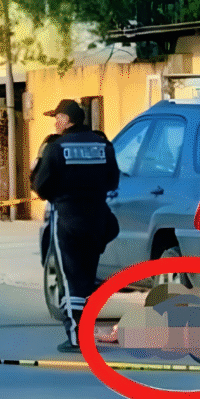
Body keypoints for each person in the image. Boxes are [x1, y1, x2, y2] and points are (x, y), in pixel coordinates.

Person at [32, 99, 121, 353]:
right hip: (97, 219)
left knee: (70, 279)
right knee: (87, 279)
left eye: (57, 117)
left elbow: (41, 187)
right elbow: (113, 180)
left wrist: (36, 173)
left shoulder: (56, 147)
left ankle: (75, 338)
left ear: (67, 119)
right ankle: (86, 331)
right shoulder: (103, 145)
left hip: (68, 220)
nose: (55, 123)